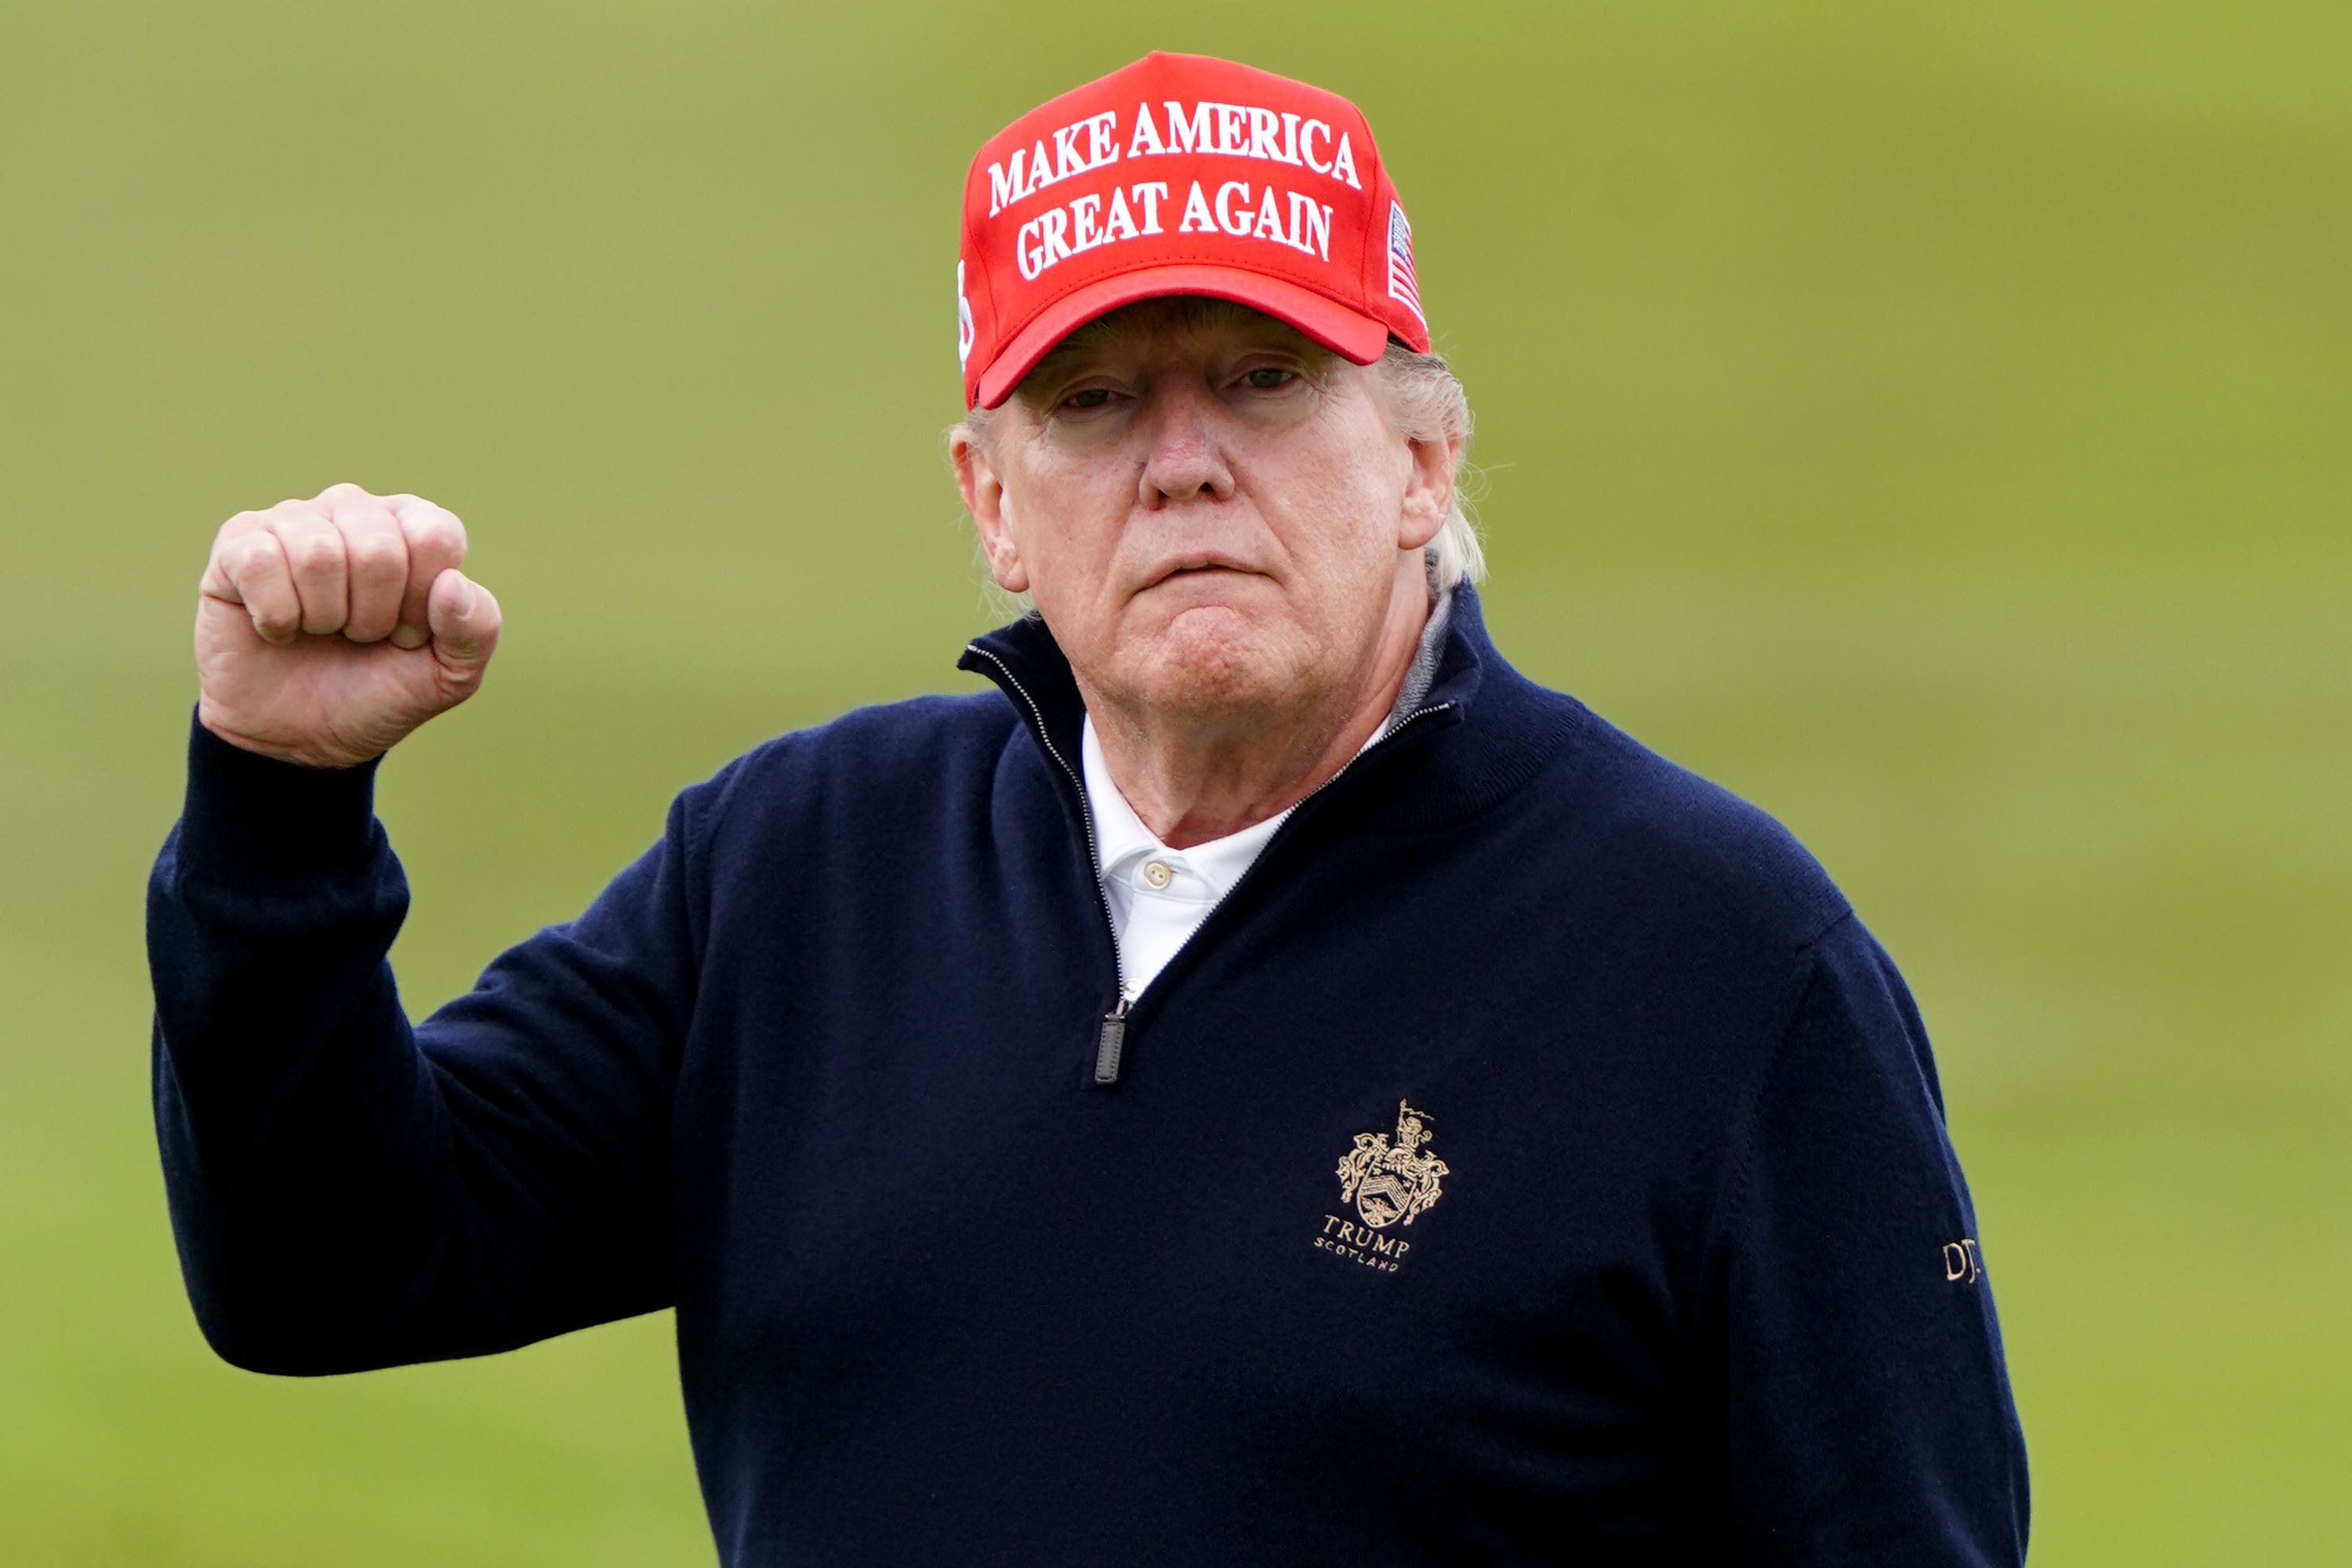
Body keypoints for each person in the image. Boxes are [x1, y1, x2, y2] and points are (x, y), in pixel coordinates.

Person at [147, 50, 2029, 1566]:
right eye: (1096, 399)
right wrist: (279, 812)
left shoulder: (1714, 963)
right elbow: (322, 1267)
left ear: (1420, 456)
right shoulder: (799, 872)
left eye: (1268, 379)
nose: (1183, 463)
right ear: (988, 496)